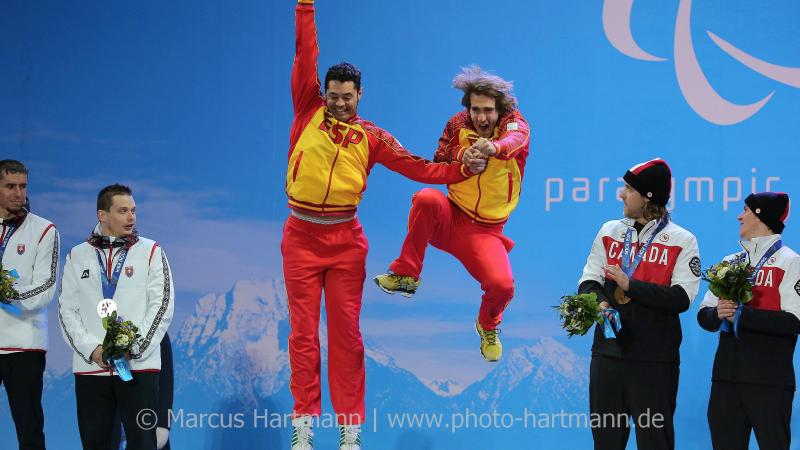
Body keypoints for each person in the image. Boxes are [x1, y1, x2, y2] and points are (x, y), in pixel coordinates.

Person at [285, 1, 480, 449]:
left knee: (347, 335)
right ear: (323, 92)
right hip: (299, 237)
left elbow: (419, 167)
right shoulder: (306, 109)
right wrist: (305, 7)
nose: (336, 103)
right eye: (332, 95)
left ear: (359, 95)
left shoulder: (371, 138)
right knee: (302, 333)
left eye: (345, 97)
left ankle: (349, 433)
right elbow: (305, 53)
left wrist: (462, 171)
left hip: (345, 241)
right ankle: (303, 428)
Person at [373, 66, 531, 362]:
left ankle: (487, 326)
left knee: (503, 286)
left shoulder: (516, 124)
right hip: (451, 217)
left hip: (485, 233)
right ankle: (407, 276)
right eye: (475, 110)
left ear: (500, 110)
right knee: (426, 198)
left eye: (487, 111)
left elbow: (514, 142)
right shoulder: (456, 123)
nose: (481, 118)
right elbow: (440, 157)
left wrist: (492, 148)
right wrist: (462, 155)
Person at [577, 159, 701, 450]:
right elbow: (589, 281)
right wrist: (602, 303)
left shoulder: (683, 240)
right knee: (605, 443)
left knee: (655, 442)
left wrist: (631, 285)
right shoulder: (609, 231)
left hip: (653, 363)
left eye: (629, 189)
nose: (621, 194)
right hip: (607, 356)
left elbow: (681, 298)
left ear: (648, 197)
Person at [59, 184, 174, 450]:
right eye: (123, 211)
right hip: (91, 369)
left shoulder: (151, 251)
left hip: (137, 368)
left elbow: (162, 304)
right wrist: (93, 349)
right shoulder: (77, 255)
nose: (131, 217)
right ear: (102, 215)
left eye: (133, 211)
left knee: (142, 444)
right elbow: (67, 310)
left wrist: (134, 348)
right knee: (95, 443)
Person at [697, 192, 799, 450]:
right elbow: (704, 314)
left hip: (770, 382)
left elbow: (794, 321)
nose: (739, 216)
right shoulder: (731, 262)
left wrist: (743, 314)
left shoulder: (791, 262)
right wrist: (717, 313)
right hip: (725, 380)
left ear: (761, 217)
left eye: (746, 210)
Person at [0, 160, 59, 450]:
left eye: (23, 186)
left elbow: (46, 288)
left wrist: (6, 292)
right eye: (10, 186)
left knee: (29, 429)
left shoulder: (44, 230)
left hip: (24, 345)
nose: (18, 193)